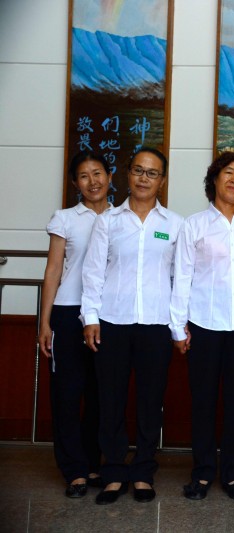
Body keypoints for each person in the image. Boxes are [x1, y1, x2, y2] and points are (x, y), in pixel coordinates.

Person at [81, 147, 183, 505]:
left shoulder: (174, 225)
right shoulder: (108, 221)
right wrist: (90, 318)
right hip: (113, 322)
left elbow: (179, 278)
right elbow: (92, 272)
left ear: (162, 180)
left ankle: (142, 470)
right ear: (127, 175)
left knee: (149, 403)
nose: (144, 178)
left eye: (152, 173)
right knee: (111, 401)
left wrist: (178, 328)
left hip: (155, 325)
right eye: (138, 170)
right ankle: (113, 473)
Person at [170, 151, 234, 501]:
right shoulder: (194, 225)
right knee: (203, 403)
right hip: (203, 326)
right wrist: (178, 328)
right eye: (228, 173)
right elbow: (182, 277)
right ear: (215, 179)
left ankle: (233, 475)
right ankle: (203, 473)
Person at [38, 150, 111, 498]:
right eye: (84, 175)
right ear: (74, 183)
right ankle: (74, 469)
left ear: (110, 177)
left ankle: (94, 462)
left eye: (98, 173)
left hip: (108, 315)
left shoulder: (122, 217)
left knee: (100, 393)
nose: (92, 181)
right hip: (69, 313)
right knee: (68, 394)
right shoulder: (65, 218)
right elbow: (53, 270)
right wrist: (45, 321)